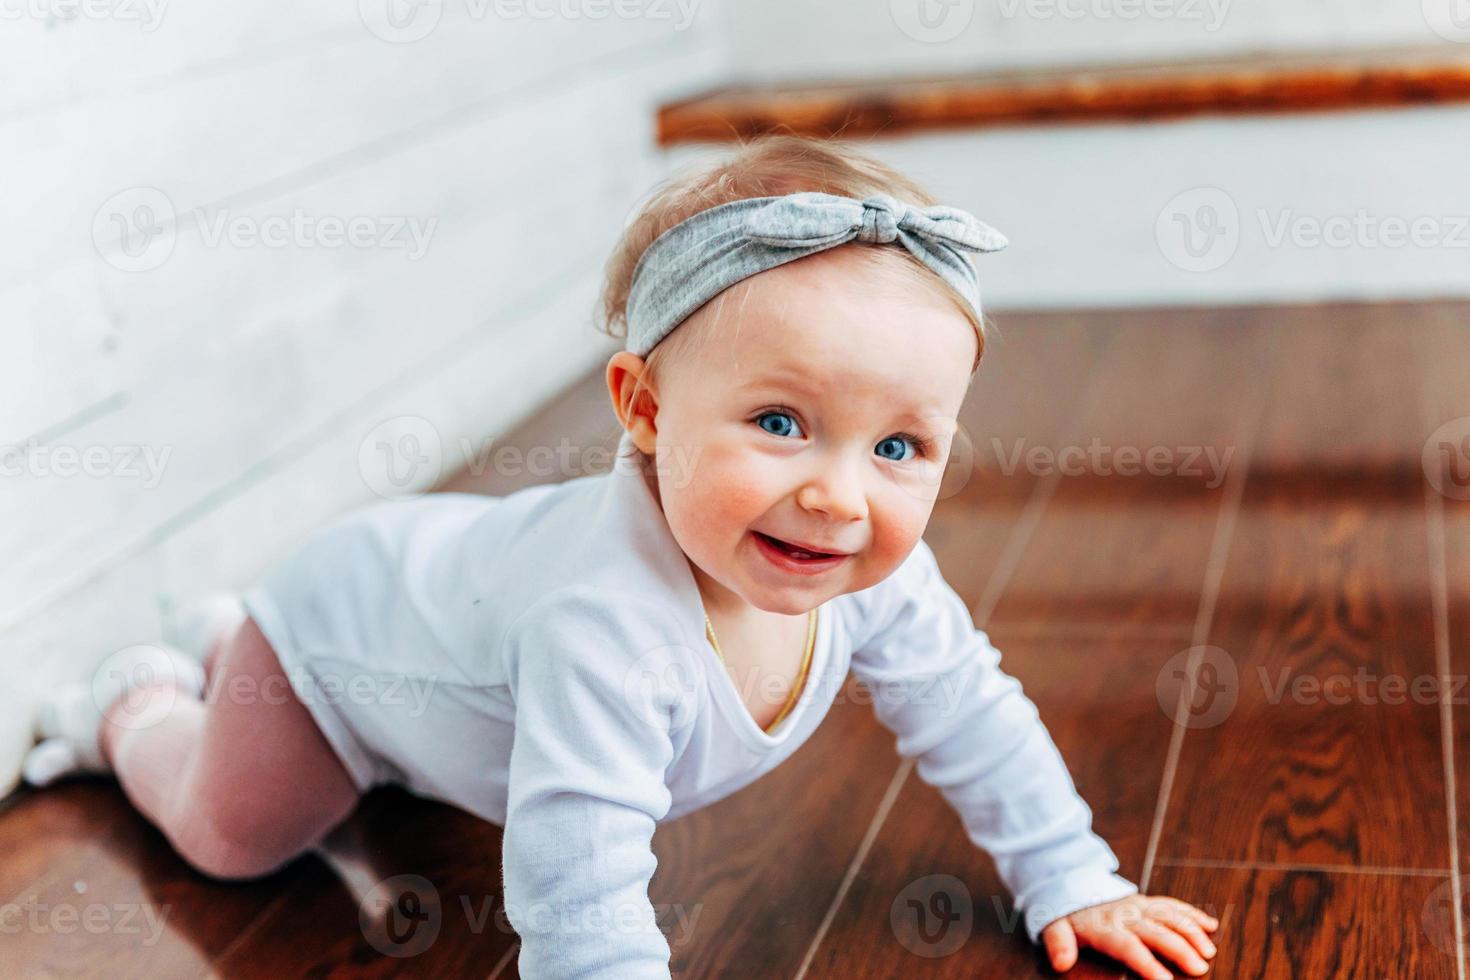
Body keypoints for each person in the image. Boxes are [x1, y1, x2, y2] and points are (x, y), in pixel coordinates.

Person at [23, 134, 1218, 979]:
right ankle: (138, 695)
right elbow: (579, 891)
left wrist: (1075, 873)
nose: (838, 494)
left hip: (436, 614)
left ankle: (220, 642)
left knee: (386, 790)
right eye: (780, 422)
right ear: (642, 409)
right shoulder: (604, 623)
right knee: (241, 837)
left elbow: (967, 708)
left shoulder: (871, 569)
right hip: (329, 644)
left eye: (898, 443)